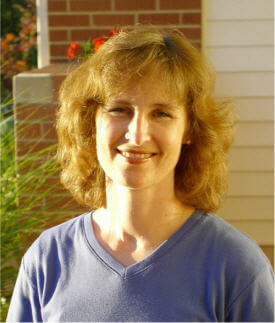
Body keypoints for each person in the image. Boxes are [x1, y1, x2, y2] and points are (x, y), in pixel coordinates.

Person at [7, 26, 274, 322]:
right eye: (119, 109)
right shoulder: (49, 259)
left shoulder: (234, 265)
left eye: (161, 113)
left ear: (188, 130)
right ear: (90, 121)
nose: (137, 135)